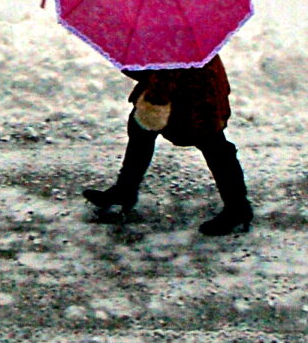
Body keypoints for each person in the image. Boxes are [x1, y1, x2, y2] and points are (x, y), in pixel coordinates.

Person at [82, 56, 253, 234]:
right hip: (181, 84)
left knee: (213, 145)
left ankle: (238, 208)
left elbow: (166, 70)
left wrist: (154, 96)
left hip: (194, 93)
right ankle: (125, 190)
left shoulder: (177, 40)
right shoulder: (169, 36)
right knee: (141, 130)